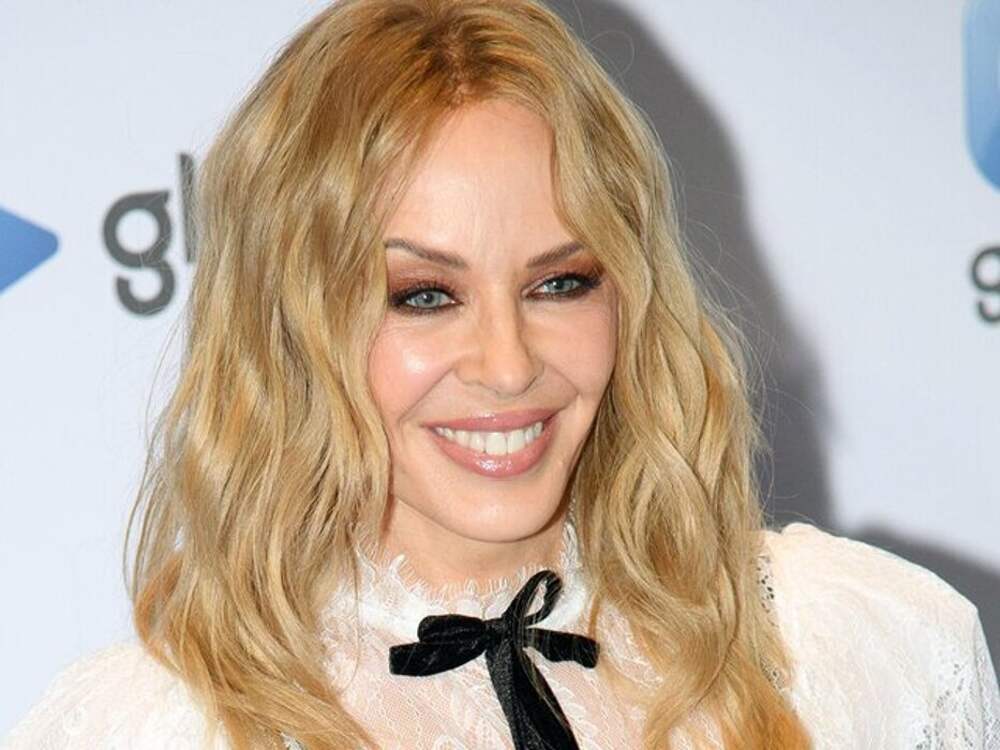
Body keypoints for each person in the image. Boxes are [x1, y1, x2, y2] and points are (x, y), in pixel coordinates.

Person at [4, 0, 999, 748]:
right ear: (289, 326)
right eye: (423, 295)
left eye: (559, 282)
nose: (508, 364)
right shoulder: (151, 729)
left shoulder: (865, 653)